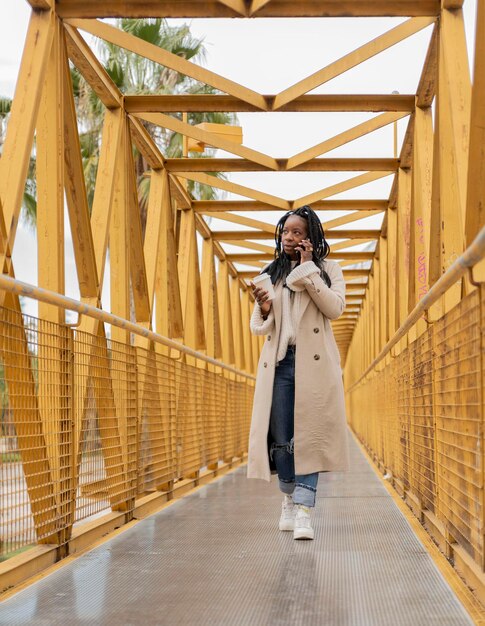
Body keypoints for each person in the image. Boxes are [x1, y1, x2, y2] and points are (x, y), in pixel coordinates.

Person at [247, 205, 350, 540]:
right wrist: (263, 308)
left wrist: (308, 272)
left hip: (314, 365)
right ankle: (289, 499)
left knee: (311, 437)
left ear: (310, 237)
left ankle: (305, 510)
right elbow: (259, 328)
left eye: (296, 232)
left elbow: (334, 309)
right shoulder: (272, 273)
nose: (288, 237)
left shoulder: (328, 268)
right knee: (281, 439)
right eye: (285, 232)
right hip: (280, 363)